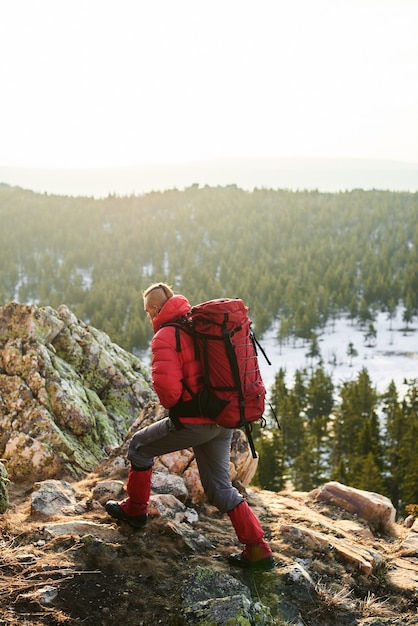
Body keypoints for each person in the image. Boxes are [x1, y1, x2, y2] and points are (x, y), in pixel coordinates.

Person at [105, 283, 274, 570]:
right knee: (219, 487)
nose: (148, 317)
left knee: (139, 447)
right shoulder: (197, 325)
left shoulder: (166, 336)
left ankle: (134, 512)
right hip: (223, 420)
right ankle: (258, 549)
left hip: (195, 422)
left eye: (148, 312)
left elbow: (169, 393)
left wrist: (175, 397)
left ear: (157, 309)